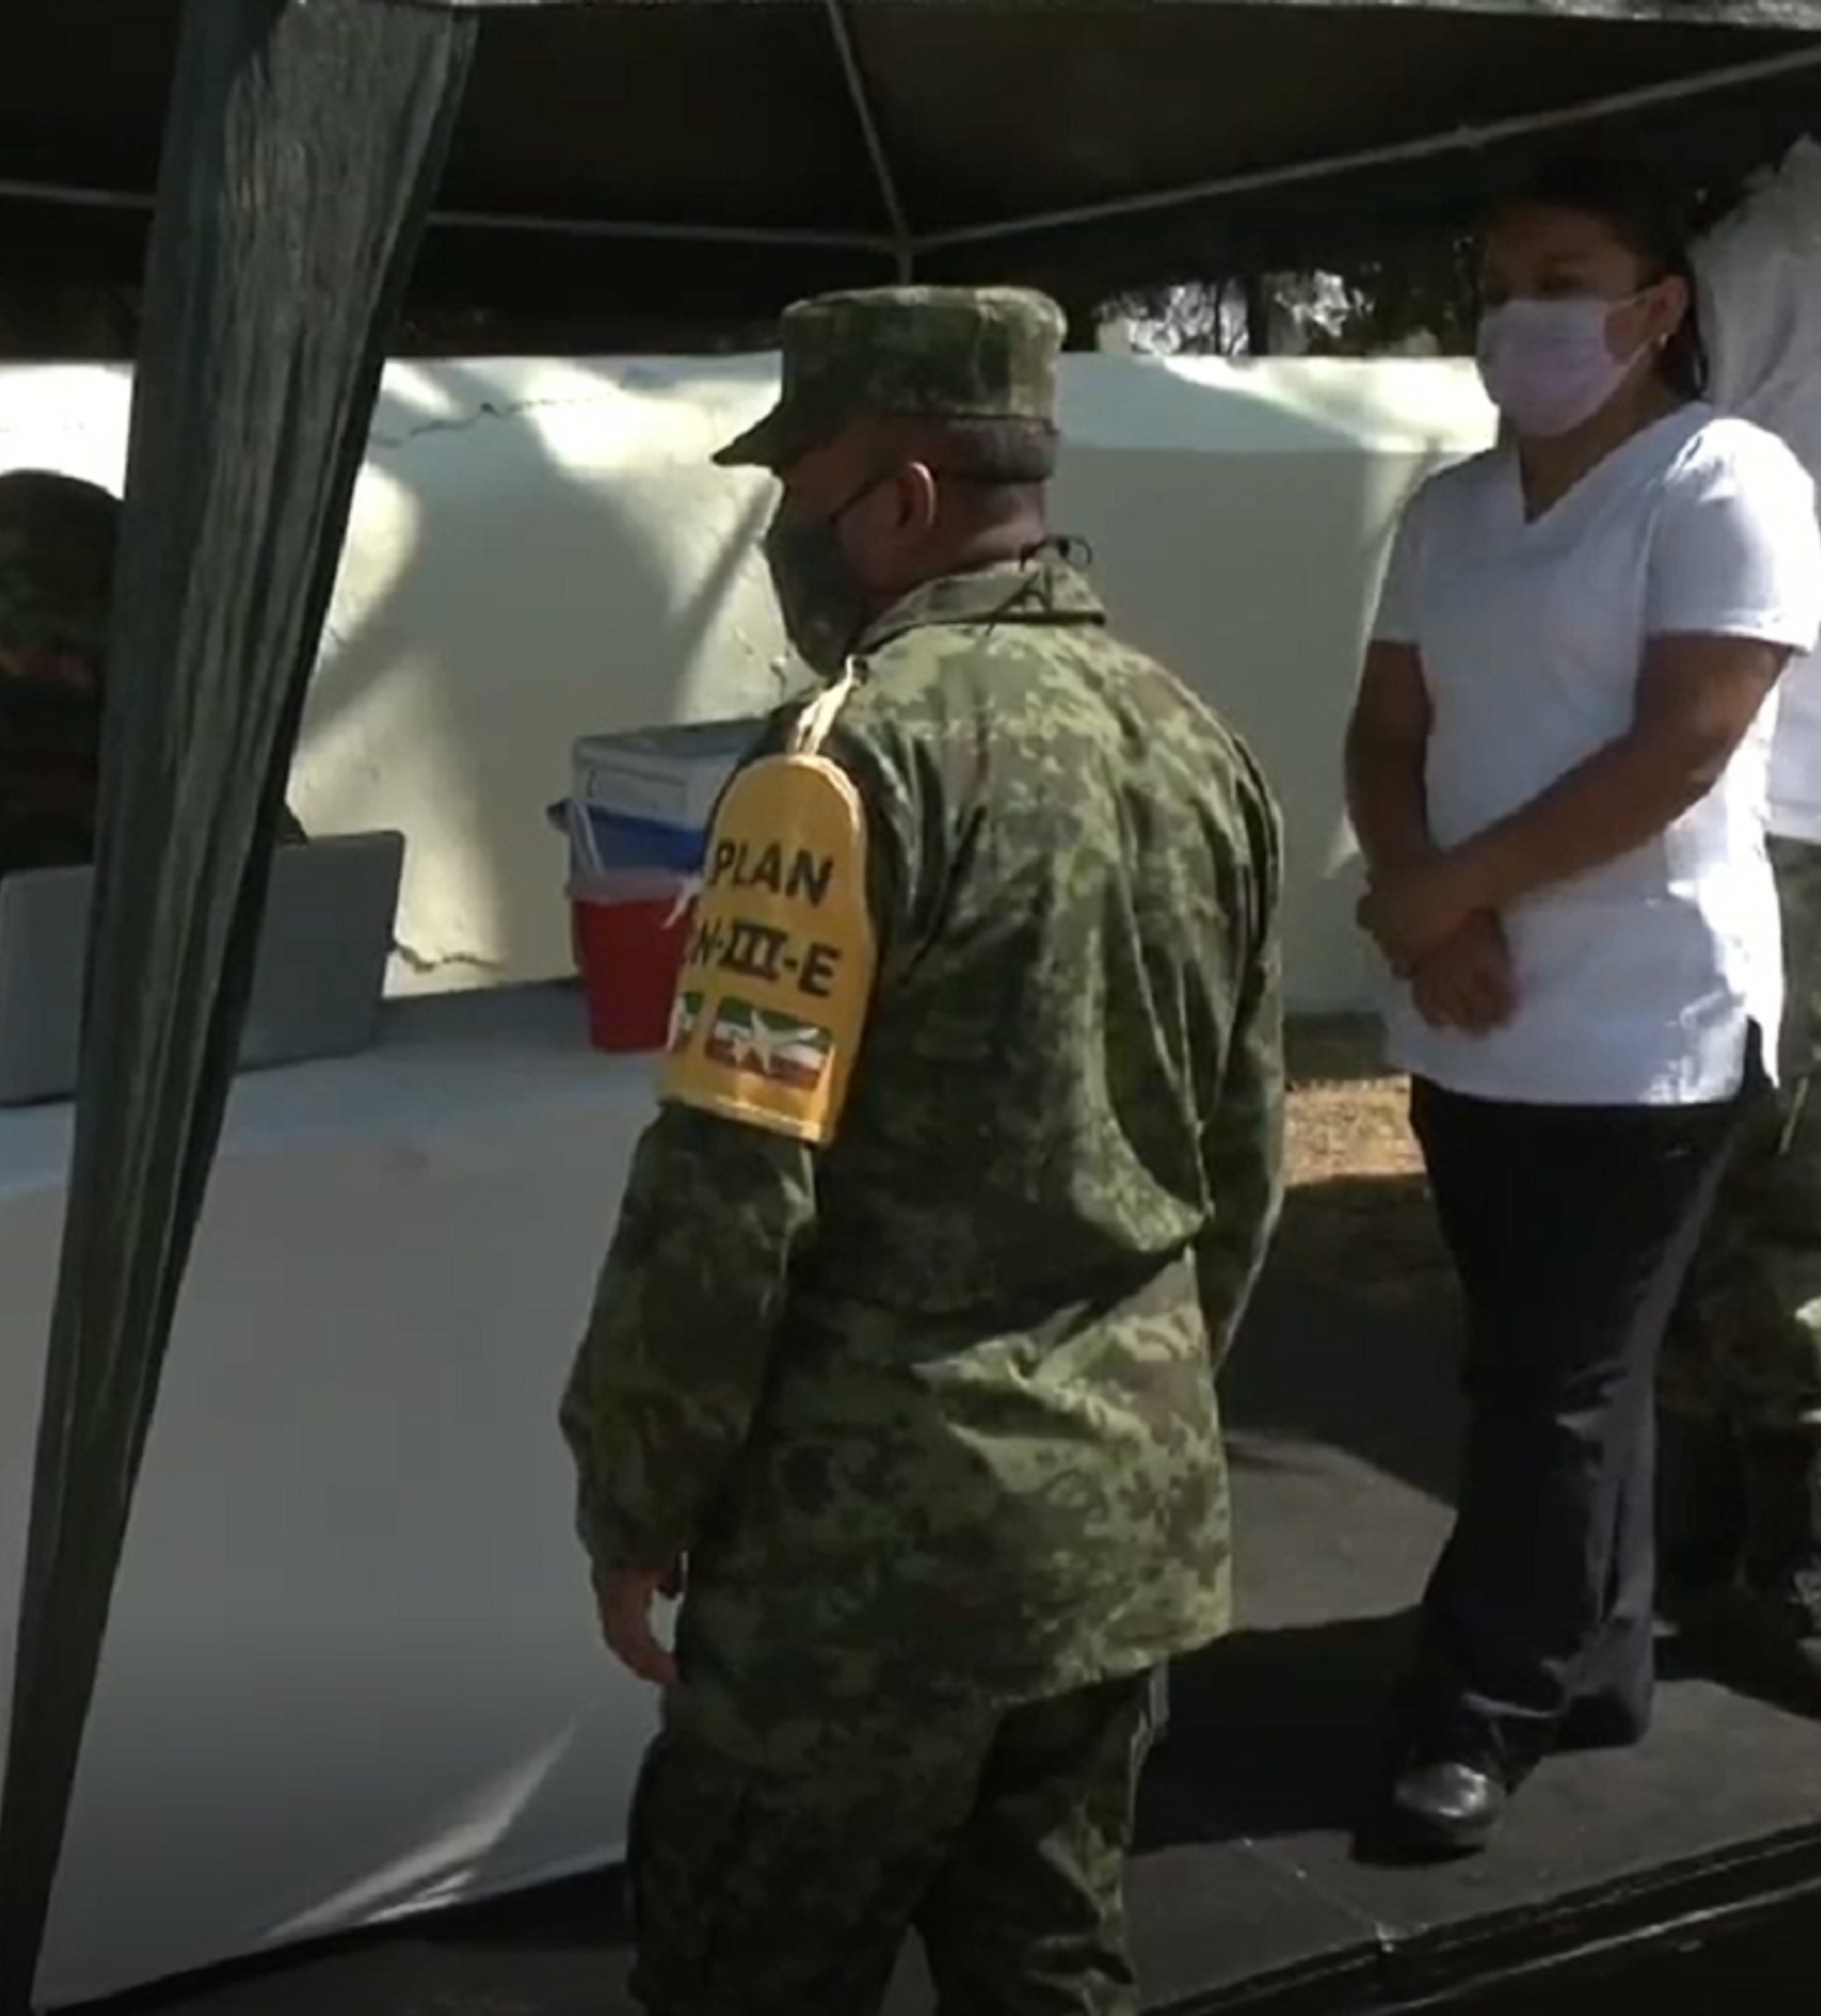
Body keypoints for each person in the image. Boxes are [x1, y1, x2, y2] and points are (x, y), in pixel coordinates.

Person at [558, 285, 1285, 2014]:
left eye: (796, 489)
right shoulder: (1197, 743)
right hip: (1114, 1536)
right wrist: (1126, 1424)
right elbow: (1245, 1166)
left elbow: (728, 1196)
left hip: (864, 1571)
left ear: (901, 498)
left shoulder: (837, 768)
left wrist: (638, 1490)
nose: (780, 539)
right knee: (1051, 1969)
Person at [1343, 152, 1821, 1858]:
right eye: (1499, 286)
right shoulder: (1453, 514)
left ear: (1656, 307)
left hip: (1648, 1023)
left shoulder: (1725, 478)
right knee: (1556, 1362)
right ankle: (1599, 1653)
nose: (1520, 319)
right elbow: (1388, 731)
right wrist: (1428, 904)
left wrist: (1452, 892)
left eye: (1563, 283)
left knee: (1549, 1375)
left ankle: (1481, 1702)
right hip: (1474, 1014)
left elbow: (1682, 745)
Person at [1656, 161, 1821, 1708]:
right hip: (1789, 796)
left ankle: (1723, 1528)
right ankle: (1790, 1542)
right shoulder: (1772, 255)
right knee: (1786, 1185)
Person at [0, 467, 305, 888]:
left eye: (101, 650)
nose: (81, 676)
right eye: (53, 646)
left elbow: (292, 876)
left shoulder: (162, 720)